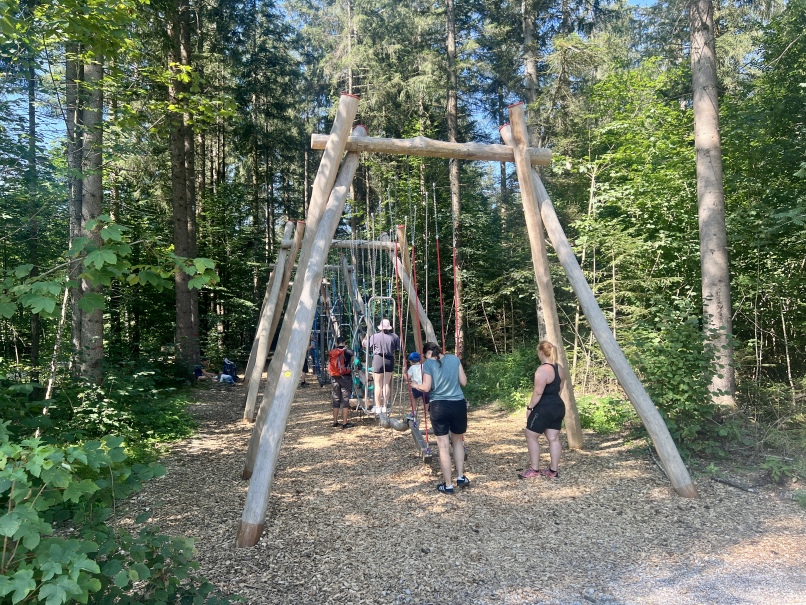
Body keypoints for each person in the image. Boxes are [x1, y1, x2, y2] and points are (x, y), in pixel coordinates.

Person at [420, 342, 470, 494]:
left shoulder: (428, 363)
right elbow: (464, 382)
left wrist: (416, 384)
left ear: (428, 353)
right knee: (458, 441)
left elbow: (426, 388)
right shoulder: (454, 359)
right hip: (458, 404)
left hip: (439, 405)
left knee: (443, 446)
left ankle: (448, 485)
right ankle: (461, 477)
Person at [519, 340, 566, 479]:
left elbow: (538, 392)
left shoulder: (542, 370)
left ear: (541, 352)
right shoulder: (559, 368)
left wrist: (530, 407)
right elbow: (560, 388)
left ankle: (534, 469)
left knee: (530, 435)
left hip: (545, 407)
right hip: (558, 406)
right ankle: (553, 470)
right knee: (553, 438)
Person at [364, 318, 400, 414]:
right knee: (386, 383)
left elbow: (365, 345)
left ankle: (378, 406)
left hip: (378, 359)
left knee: (378, 384)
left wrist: (366, 337)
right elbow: (398, 348)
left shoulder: (375, 336)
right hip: (389, 359)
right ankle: (384, 406)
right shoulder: (394, 336)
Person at [328, 336, 355, 429]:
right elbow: (354, 362)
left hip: (334, 377)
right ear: (345, 342)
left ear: (336, 342)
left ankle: (335, 422)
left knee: (336, 398)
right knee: (345, 399)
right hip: (345, 377)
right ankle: (344, 423)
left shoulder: (332, 352)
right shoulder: (349, 351)